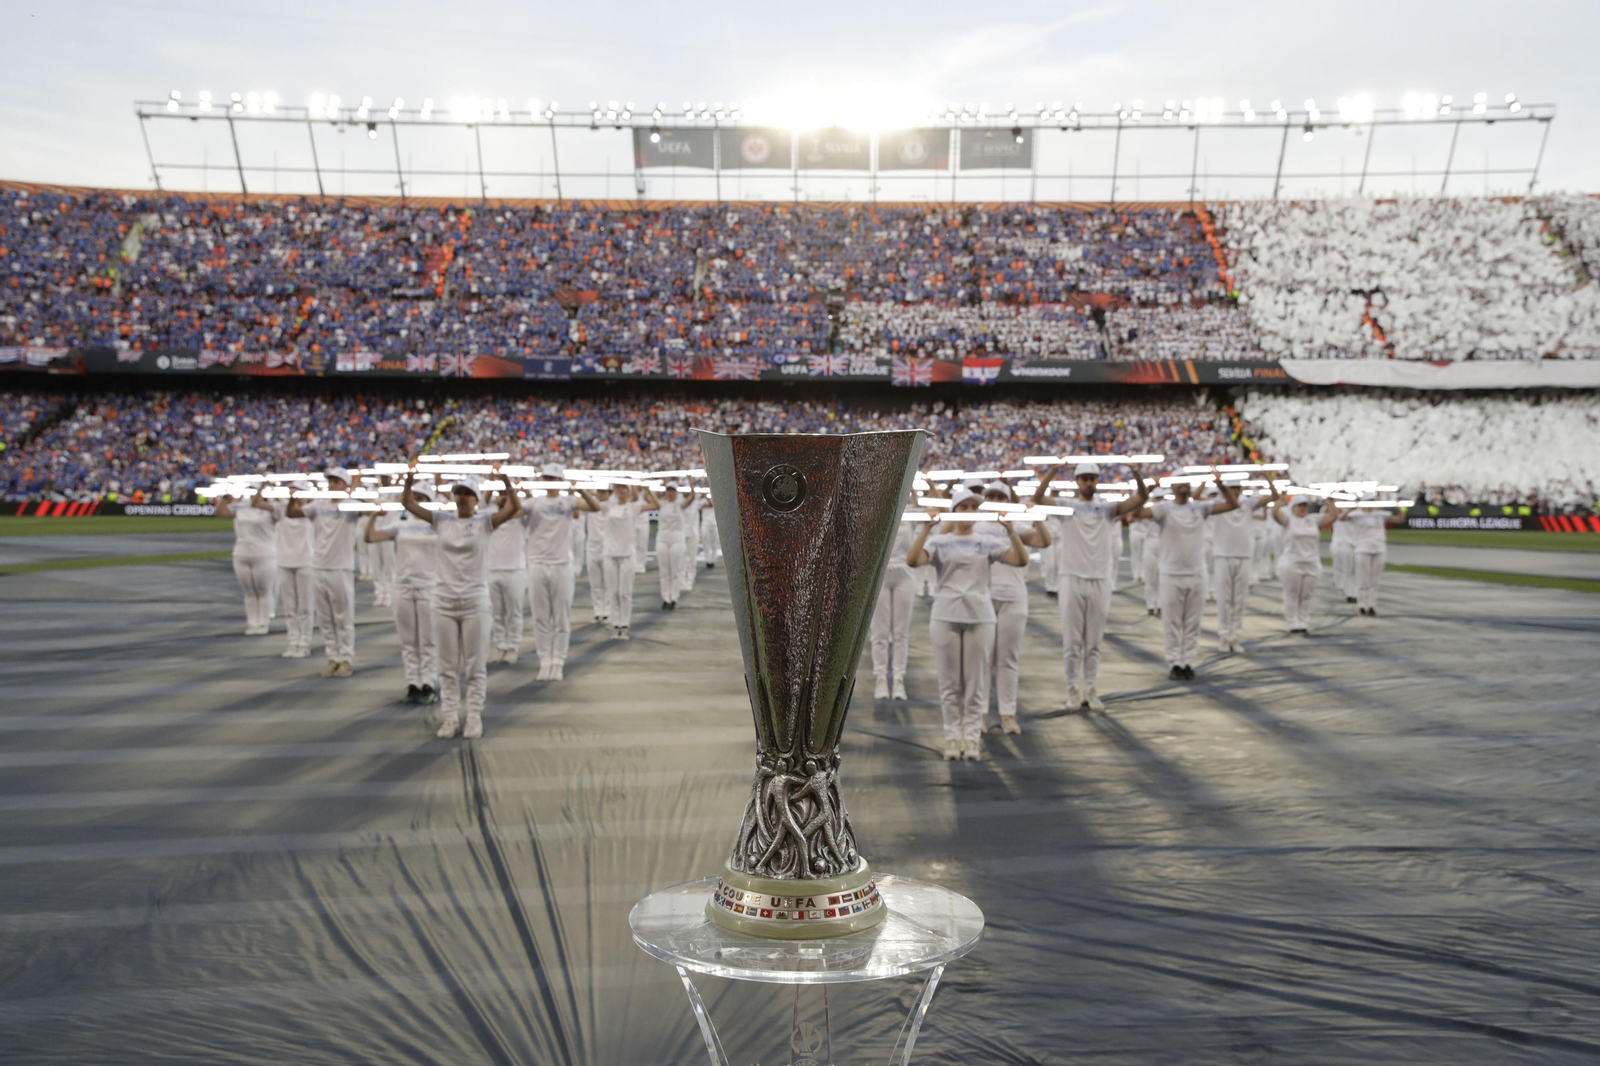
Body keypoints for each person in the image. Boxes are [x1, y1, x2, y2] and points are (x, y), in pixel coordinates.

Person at [906, 487, 1029, 761]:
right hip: (945, 616)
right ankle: (952, 736)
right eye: (963, 507)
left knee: (975, 683)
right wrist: (926, 529)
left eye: (973, 508)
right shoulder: (940, 541)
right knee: (949, 683)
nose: (969, 512)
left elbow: (1020, 560)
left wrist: (1011, 530)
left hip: (980, 618)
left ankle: (972, 738)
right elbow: (913, 560)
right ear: (954, 510)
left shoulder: (986, 541)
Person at [400, 470, 521, 739]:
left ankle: (474, 717)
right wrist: (409, 478)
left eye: (468, 493)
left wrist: (506, 482)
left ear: (477, 499)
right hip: (443, 602)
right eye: (459, 493)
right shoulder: (441, 520)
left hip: (474, 602)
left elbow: (515, 508)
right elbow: (407, 503)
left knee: (475, 666)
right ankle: (450, 717)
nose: (462, 497)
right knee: (447, 667)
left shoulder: (484, 522)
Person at [1037, 463, 1148, 710]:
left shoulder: (1107, 509)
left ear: (1097, 480)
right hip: (1071, 577)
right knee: (1072, 642)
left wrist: (1137, 473)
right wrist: (1053, 470)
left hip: (1099, 578)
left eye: (1092, 478)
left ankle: (1091, 689)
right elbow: (1038, 498)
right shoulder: (1066, 507)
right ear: (1077, 481)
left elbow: (1141, 497)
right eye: (1084, 478)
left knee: (1094, 642)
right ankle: (1072, 690)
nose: (1088, 482)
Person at [1136, 471, 1239, 680]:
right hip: (1171, 573)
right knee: (1172, 622)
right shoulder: (1164, 509)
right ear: (1172, 486)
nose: (1183, 485)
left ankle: (1188, 661)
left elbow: (1232, 505)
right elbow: (1137, 513)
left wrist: (1221, 485)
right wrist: (1148, 490)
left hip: (1196, 572)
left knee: (1193, 622)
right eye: (1179, 481)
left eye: (1186, 481)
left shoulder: (1200, 508)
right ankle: (1174, 662)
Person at [984, 481, 1053, 731]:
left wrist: (1038, 518)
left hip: (1013, 597)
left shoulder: (1018, 524)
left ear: (1008, 501)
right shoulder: (976, 524)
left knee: (1008, 660)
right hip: (983, 598)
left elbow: (1043, 541)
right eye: (991, 496)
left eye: (1000, 497)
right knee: (983, 661)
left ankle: (1008, 714)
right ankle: (980, 714)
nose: (996, 501)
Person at [363, 489, 440, 706]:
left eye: (422, 498)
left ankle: (428, 682)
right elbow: (370, 537)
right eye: (415, 498)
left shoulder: (437, 524)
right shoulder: (400, 525)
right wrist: (373, 516)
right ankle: (413, 683)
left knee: (428, 639)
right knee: (408, 640)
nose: (417, 502)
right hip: (403, 586)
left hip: (428, 586)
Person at [286, 468, 363, 677]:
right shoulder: (319, 505)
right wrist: (292, 499)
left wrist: (354, 494)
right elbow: (292, 514)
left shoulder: (351, 505)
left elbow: (375, 510)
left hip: (340, 566)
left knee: (343, 616)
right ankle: (332, 656)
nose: (332, 485)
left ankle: (346, 657)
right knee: (325, 617)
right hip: (318, 565)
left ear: (345, 485)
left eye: (337, 482)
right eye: (330, 481)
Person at [526, 465, 599, 679]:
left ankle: (558, 661)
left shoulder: (568, 501)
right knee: (540, 618)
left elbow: (595, 507)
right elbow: (512, 511)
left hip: (561, 565)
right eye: (547, 478)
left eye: (554, 478)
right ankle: (544, 661)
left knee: (561, 617)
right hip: (537, 564)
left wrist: (580, 490)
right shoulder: (534, 503)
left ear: (560, 481)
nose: (550, 481)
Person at [1210, 474, 1281, 653]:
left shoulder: (1248, 504)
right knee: (1224, 598)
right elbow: (1194, 499)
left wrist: (1268, 477)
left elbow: (1274, 496)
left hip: (1243, 554)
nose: (1235, 491)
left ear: (1241, 489)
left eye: (1237, 488)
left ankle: (1235, 635)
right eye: (1232, 488)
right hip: (1223, 555)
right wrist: (1213, 484)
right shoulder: (1218, 503)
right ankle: (1224, 635)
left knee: (1239, 598)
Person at [870, 495, 920, 701]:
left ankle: (899, 680)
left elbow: (939, 509)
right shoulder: (878, 509)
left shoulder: (913, 512)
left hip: (905, 573)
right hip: (880, 573)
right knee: (879, 633)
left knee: (901, 633)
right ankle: (881, 679)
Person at [600, 482, 660, 639]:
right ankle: (615, 624)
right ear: (614, 490)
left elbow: (656, 505)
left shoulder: (634, 507)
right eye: (617, 487)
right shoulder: (608, 506)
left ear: (628, 490)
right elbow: (592, 504)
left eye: (623, 487)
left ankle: (624, 624)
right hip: (610, 555)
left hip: (627, 555)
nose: (620, 490)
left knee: (624, 593)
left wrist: (647, 489)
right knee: (613, 592)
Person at [216, 485, 277, 636]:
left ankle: (263, 622)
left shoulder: (270, 508)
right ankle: (252, 622)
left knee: (263, 590)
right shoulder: (241, 507)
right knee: (249, 592)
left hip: (264, 554)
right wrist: (225, 497)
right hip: (242, 553)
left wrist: (264, 488)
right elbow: (221, 512)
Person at [1272, 493, 1336, 634]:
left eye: (1305, 505)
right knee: (1292, 593)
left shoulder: (1313, 519)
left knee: (1307, 594)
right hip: (1292, 562)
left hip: (1311, 562)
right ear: (1293, 507)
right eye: (1299, 505)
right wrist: (1278, 503)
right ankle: (1292, 622)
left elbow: (1332, 517)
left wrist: (1329, 502)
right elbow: (1275, 515)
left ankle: (1303, 620)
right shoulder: (1288, 519)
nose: (1302, 508)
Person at [487, 483, 533, 664]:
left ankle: (513, 646)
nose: (503, 497)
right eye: (500, 494)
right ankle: (501, 646)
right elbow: (482, 502)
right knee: (497, 613)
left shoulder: (520, 516)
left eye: (506, 494)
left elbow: (530, 505)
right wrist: (491, 486)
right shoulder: (490, 515)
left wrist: (522, 490)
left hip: (514, 570)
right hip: (492, 569)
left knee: (513, 612)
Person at [1341, 497, 1405, 616]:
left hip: (1379, 548)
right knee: (1362, 578)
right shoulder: (1357, 514)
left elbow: (1400, 520)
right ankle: (1361, 604)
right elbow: (1341, 518)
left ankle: (1371, 604)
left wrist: (1398, 508)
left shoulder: (1380, 514)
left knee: (1375, 579)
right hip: (1362, 548)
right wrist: (1352, 507)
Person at [273, 483, 314, 658]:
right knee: (289, 607)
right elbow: (258, 503)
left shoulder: (311, 511)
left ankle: (305, 642)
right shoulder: (281, 509)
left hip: (305, 562)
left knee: (305, 606)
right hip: (284, 561)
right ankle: (293, 640)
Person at [654, 482, 696, 609]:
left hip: (677, 540)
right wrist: (647, 487)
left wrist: (692, 483)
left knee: (675, 570)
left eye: (673, 490)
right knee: (664, 571)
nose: (670, 492)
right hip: (662, 539)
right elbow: (650, 495)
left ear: (676, 492)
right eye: (668, 490)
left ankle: (674, 598)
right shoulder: (661, 504)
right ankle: (666, 598)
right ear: (666, 492)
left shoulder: (680, 505)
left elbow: (692, 497)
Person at [583, 486, 612, 625]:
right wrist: (589, 492)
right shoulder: (590, 506)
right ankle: (597, 610)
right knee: (595, 583)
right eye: (599, 491)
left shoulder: (612, 506)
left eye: (604, 492)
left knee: (607, 582)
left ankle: (607, 611)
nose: (601, 494)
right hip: (592, 547)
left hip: (607, 547)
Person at [1330, 513, 1356, 603]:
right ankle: (1344, 587)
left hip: (1352, 544)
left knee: (1351, 569)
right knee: (1341, 567)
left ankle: (1350, 592)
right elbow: (1340, 517)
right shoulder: (1337, 512)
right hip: (1340, 543)